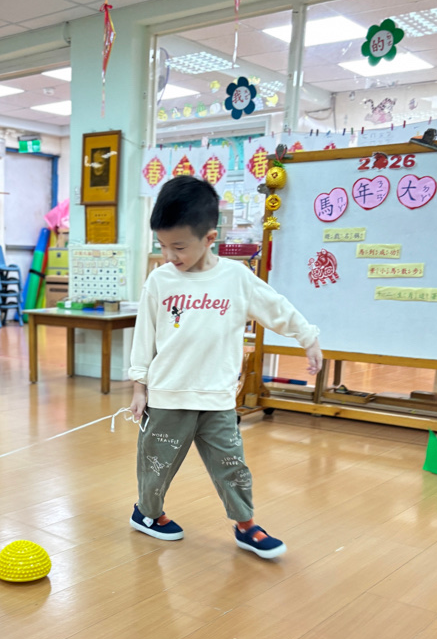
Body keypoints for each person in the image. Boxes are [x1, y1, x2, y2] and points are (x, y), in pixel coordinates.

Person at [128, 175, 322, 558]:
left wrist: (308, 337)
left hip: (217, 397)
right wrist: (139, 386)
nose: (169, 256)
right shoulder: (160, 280)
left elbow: (276, 307)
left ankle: (246, 524)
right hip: (168, 396)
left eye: (178, 247)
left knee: (231, 464)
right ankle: (147, 513)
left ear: (209, 238)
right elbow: (143, 335)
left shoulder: (235, 278)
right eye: (162, 246)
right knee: (156, 463)